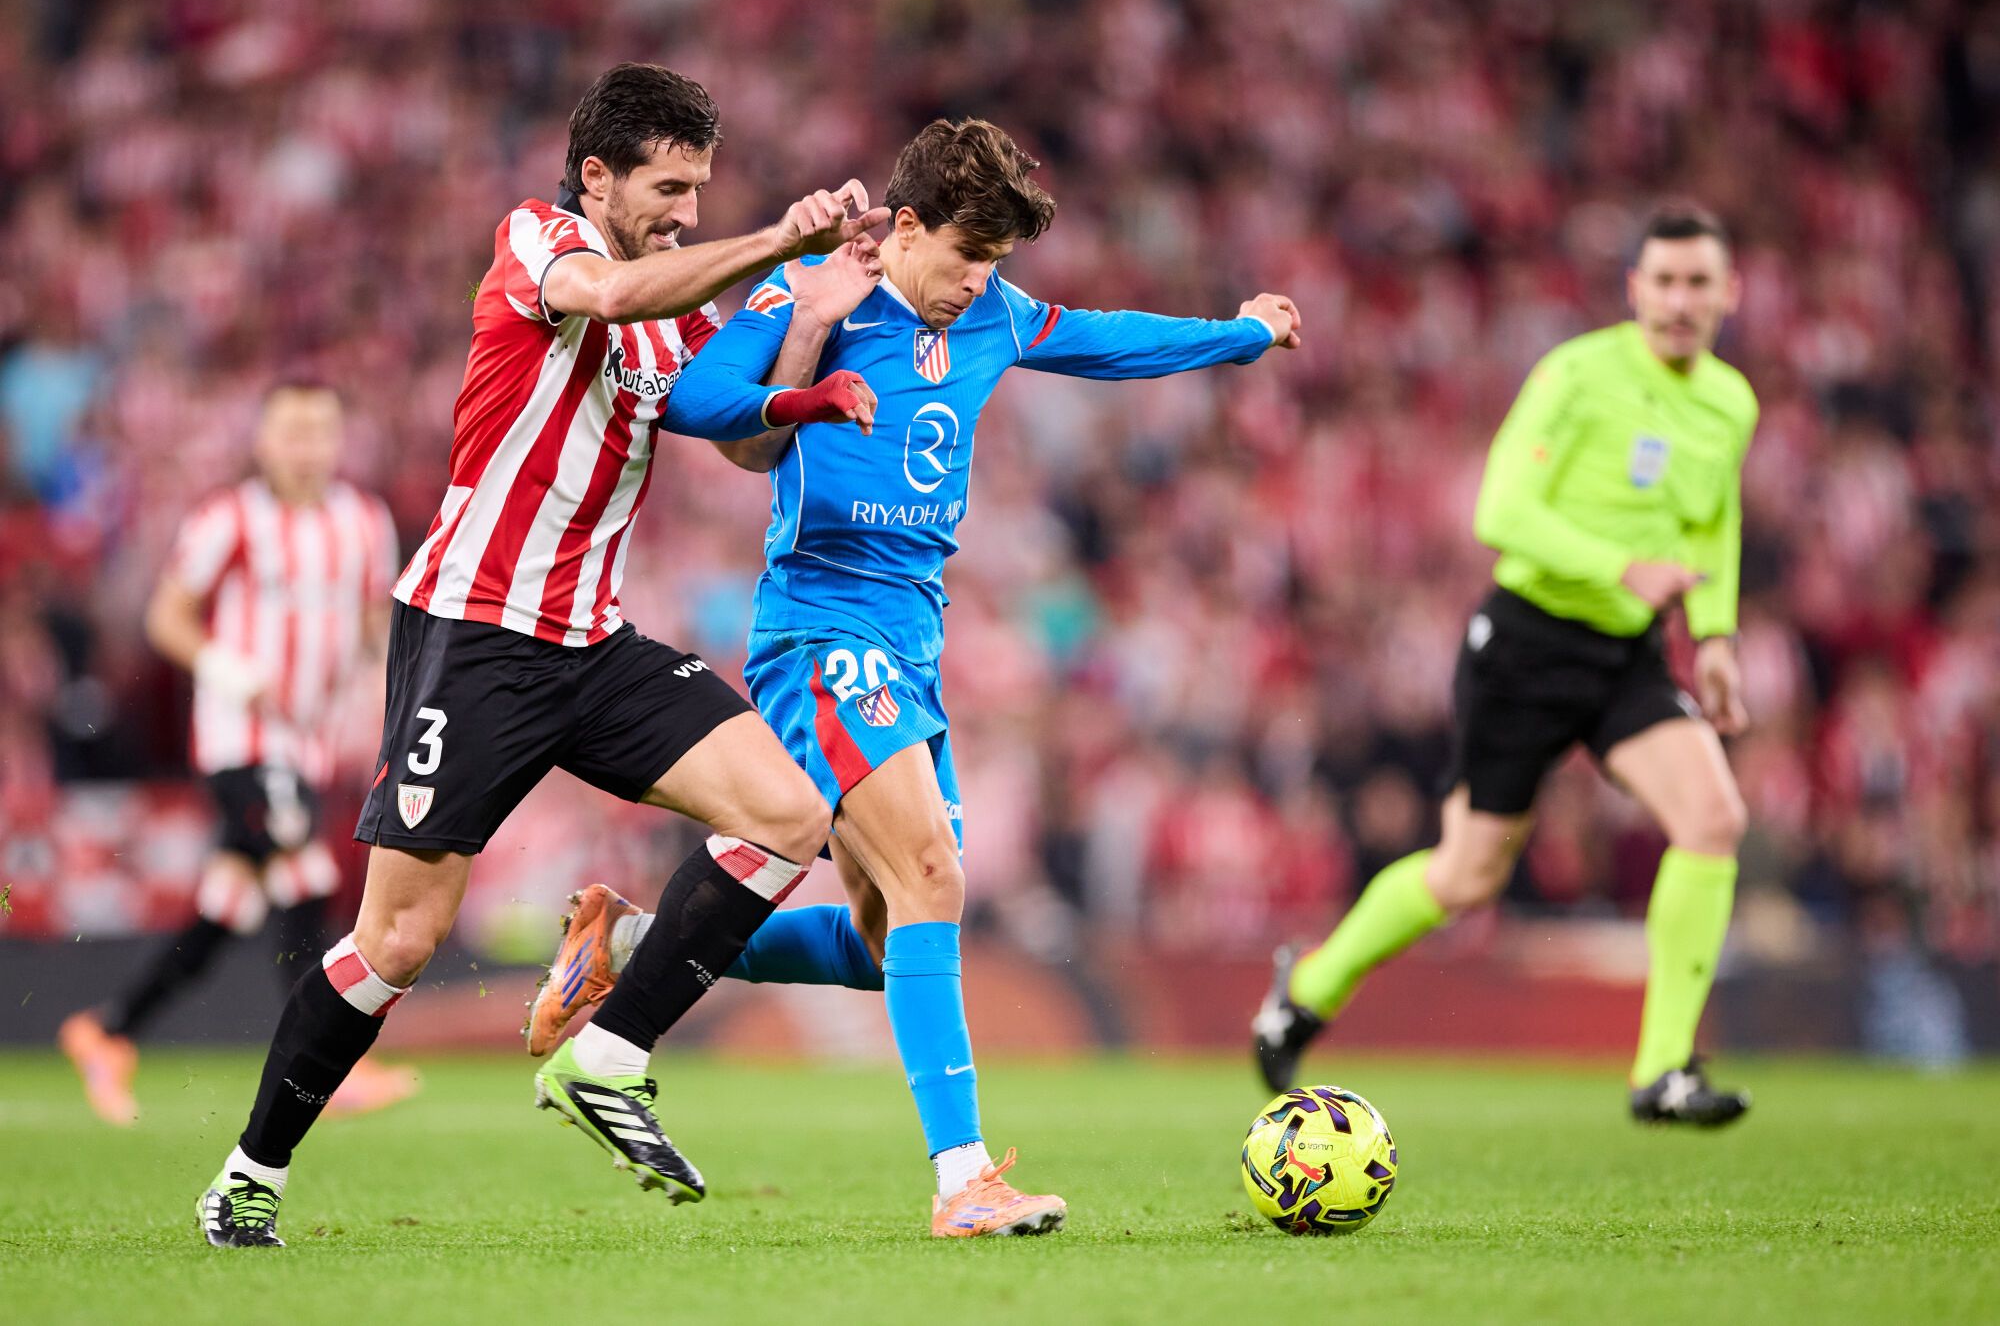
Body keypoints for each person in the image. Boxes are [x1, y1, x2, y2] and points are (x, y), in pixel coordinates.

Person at [526, 117, 1302, 1237]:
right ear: (901, 228)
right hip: (818, 627)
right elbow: (694, 403)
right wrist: (806, 344)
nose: (976, 286)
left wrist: (1234, 336)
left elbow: (1101, 340)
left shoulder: (988, 311)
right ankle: (962, 1180)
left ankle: (630, 945)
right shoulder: (813, 286)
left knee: (885, 936)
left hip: (913, 641)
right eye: (963, 257)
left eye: (994, 265)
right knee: (933, 876)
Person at [196, 61, 890, 1249]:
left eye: (700, 189)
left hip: (592, 641)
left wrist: (809, 340)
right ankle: (250, 1171)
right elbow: (605, 300)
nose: (684, 208)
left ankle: (609, 1054)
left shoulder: (678, 306)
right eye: (669, 187)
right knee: (400, 940)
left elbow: (736, 450)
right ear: (596, 175)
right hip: (472, 636)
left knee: (788, 815)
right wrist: (773, 239)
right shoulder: (539, 239)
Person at [1252, 204, 1758, 1126]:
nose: (1681, 300)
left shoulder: (1731, 402)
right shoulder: (1577, 375)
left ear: (1731, 292)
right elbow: (1500, 511)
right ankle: (1308, 988)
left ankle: (1663, 1070)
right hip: (1526, 645)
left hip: (1627, 656)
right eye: (1666, 281)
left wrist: (1715, 636)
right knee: (1465, 876)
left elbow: (1712, 519)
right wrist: (1621, 567)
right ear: (1634, 289)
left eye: (1699, 283)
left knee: (1715, 816)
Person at [59, 381, 416, 1127]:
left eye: (320, 429)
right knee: (305, 875)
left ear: (338, 439)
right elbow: (167, 616)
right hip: (239, 739)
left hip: (306, 740)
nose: (305, 445)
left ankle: (109, 1029)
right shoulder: (229, 518)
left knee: (230, 903)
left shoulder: (363, 521)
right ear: (262, 440)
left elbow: (370, 622)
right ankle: (329, 1058)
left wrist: (396, 698)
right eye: (290, 430)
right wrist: (229, 670)